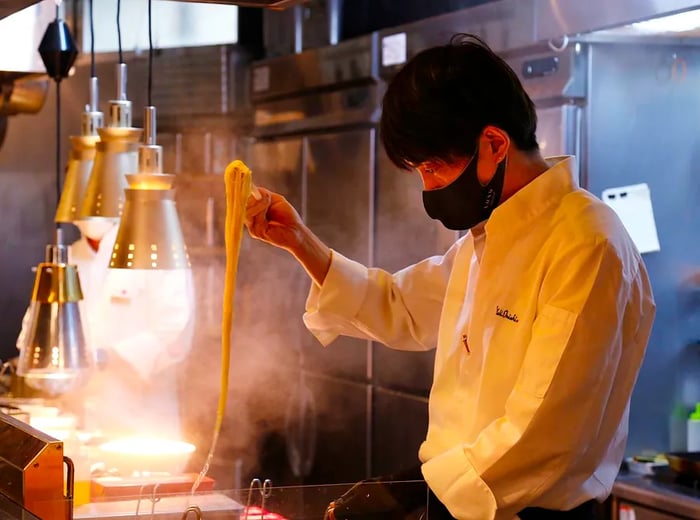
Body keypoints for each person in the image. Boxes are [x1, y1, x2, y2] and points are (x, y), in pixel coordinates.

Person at [244, 34, 655, 520]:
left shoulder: (586, 244)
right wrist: (298, 241)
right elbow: (401, 306)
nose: (428, 187)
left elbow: (545, 434)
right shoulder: (488, 239)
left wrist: (417, 490)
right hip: (459, 500)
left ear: (495, 143)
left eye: (434, 168)